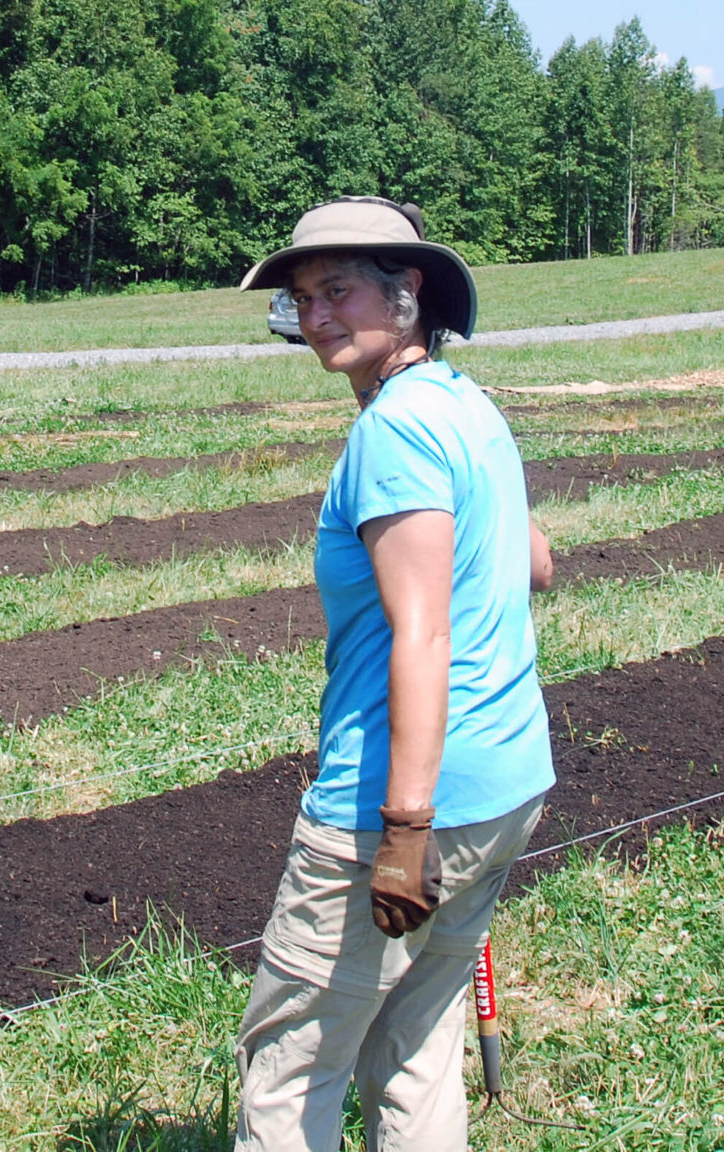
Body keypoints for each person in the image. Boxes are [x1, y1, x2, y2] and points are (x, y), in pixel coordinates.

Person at [233, 196, 556, 1152]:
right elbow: (534, 563)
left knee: (292, 1067)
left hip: (397, 806)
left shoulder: (394, 432)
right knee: (416, 1042)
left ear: (407, 294)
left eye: (339, 290)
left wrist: (404, 833)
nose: (317, 314)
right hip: (505, 780)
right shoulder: (466, 404)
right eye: (302, 297)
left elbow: (421, 635)